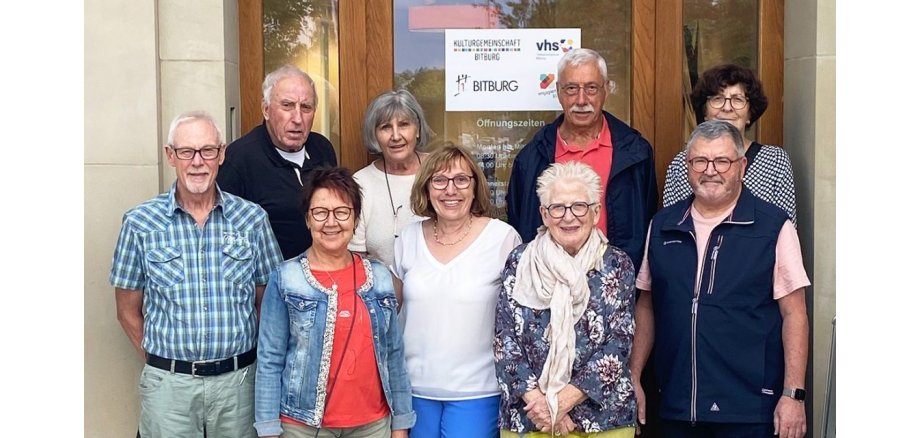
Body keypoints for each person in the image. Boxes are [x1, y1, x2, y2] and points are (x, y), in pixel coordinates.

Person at [630, 120, 810, 438]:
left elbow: (794, 314)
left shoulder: (773, 227)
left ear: (741, 166)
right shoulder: (662, 225)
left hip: (749, 410)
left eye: (722, 161)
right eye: (700, 160)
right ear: (688, 166)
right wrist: (633, 376)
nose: (710, 170)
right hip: (676, 405)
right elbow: (647, 305)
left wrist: (792, 394)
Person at [110, 111, 284, 438]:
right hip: (169, 389)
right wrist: (165, 364)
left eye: (207, 150)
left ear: (221, 154)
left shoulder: (252, 220)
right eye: (186, 152)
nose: (197, 162)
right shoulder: (139, 223)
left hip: (239, 386)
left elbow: (269, 302)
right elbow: (126, 311)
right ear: (170, 156)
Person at [254, 167, 415, 438]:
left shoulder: (379, 277)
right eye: (320, 212)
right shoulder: (286, 279)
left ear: (354, 219)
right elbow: (270, 360)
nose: (331, 222)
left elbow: (394, 355)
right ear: (307, 219)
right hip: (302, 425)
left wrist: (400, 423)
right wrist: (268, 428)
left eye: (342, 212)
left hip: (372, 424)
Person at [495, 161, 637, 438]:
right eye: (557, 207)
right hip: (530, 417)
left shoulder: (617, 264)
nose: (568, 217)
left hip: (604, 418)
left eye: (579, 206)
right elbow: (504, 338)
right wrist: (543, 406)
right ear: (544, 215)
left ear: (596, 212)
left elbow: (619, 342)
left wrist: (561, 403)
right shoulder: (520, 261)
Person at [394, 143, 522, 438]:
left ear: (476, 187)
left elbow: (521, 324)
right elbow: (391, 314)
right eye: (439, 180)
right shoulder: (408, 238)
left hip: (478, 392)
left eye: (461, 180)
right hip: (414, 392)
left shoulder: (502, 238)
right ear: (426, 189)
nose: (450, 190)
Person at [507, 47, 657, 270]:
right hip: (547, 283)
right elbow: (521, 223)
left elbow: (648, 223)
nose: (581, 99)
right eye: (571, 89)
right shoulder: (531, 158)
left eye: (591, 88)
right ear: (558, 91)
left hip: (615, 283)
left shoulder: (635, 153)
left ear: (606, 90)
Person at [218, 64, 338, 260]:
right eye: (287, 105)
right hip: (271, 282)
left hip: (325, 275)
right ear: (266, 110)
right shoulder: (239, 159)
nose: (297, 118)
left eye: (306, 107)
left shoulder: (322, 149)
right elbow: (223, 233)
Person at [662, 63, 798, 225]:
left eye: (737, 99)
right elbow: (670, 226)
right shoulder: (681, 164)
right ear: (705, 112)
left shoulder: (775, 160)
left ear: (750, 113)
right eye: (718, 99)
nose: (727, 107)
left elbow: (787, 228)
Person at [349, 89, 433, 268]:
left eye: (403, 125)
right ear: (375, 135)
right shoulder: (361, 183)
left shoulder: (439, 171)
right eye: (386, 127)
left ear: (417, 129)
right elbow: (356, 258)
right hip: (381, 292)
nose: (396, 136)